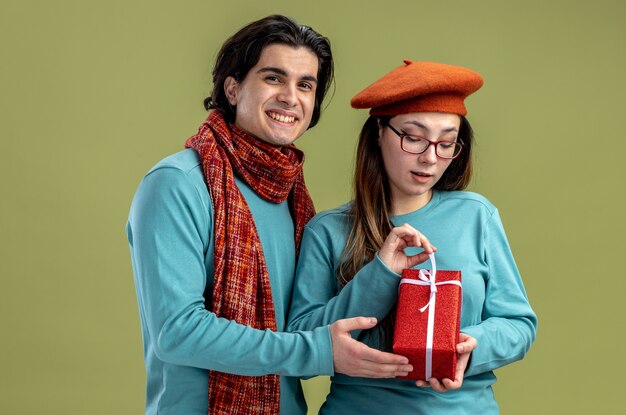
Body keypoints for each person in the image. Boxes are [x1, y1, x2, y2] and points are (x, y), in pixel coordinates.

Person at [126, 15, 416, 415]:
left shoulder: (292, 195)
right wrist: (316, 351)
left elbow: (308, 323)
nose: (290, 97)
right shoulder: (177, 184)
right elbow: (177, 333)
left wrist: (382, 271)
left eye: (305, 85)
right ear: (232, 88)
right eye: (273, 78)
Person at [287, 60, 538, 414]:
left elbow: (519, 324)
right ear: (378, 131)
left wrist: (471, 346)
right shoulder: (327, 230)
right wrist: (380, 274)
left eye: (446, 143)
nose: (430, 158)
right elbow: (301, 342)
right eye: (414, 138)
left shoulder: (476, 216)